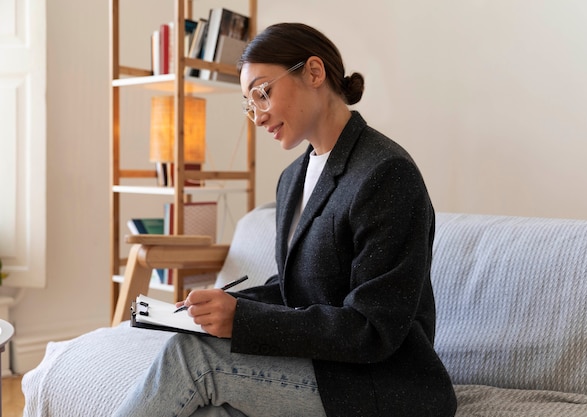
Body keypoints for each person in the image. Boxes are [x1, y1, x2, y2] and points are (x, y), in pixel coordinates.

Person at [113, 22, 457, 417]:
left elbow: (372, 329)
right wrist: (223, 306)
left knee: (193, 355)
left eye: (262, 93)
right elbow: (295, 291)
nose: (257, 117)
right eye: (248, 103)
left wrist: (243, 320)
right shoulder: (292, 179)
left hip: (381, 384)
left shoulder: (386, 174)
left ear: (313, 72)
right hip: (320, 366)